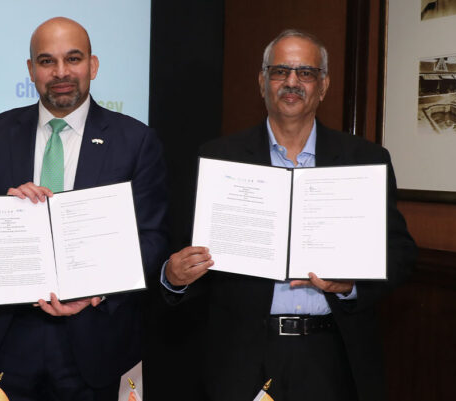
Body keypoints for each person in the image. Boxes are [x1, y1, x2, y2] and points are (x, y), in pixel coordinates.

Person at [161, 29, 417, 401]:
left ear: (323, 85)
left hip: (333, 355)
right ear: (262, 81)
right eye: (280, 71)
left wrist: (351, 286)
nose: (292, 82)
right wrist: (174, 277)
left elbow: (401, 254)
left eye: (306, 73)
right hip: (242, 359)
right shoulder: (218, 158)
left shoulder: (365, 159)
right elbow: (185, 250)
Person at [0, 17, 167, 401]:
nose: (61, 72)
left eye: (73, 59)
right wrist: (0, 212)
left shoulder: (135, 140)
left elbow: (153, 239)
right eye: (47, 61)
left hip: (92, 338)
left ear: (92, 65)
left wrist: (96, 292)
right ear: (31, 70)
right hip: (8, 338)